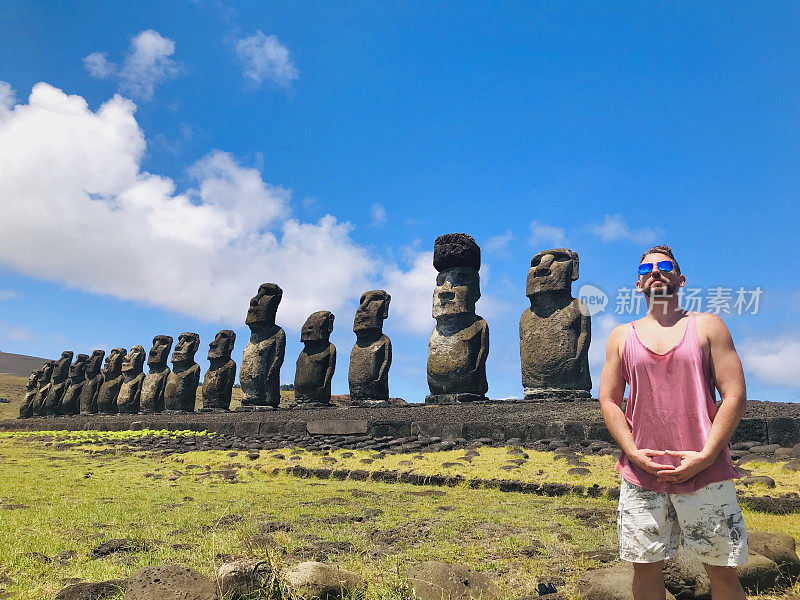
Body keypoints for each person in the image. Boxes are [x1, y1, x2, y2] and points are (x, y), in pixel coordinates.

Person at [598, 244, 748, 600]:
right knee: (645, 569)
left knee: (722, 571)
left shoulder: (708, 326)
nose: (655, 272)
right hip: (641, 472)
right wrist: (632, 451)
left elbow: (735, 395)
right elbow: (608, 398)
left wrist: (708, 455)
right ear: (638, 285)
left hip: (704, 469)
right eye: (646, 269)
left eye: (664, 266)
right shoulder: (621, 335)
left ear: (680, 279)